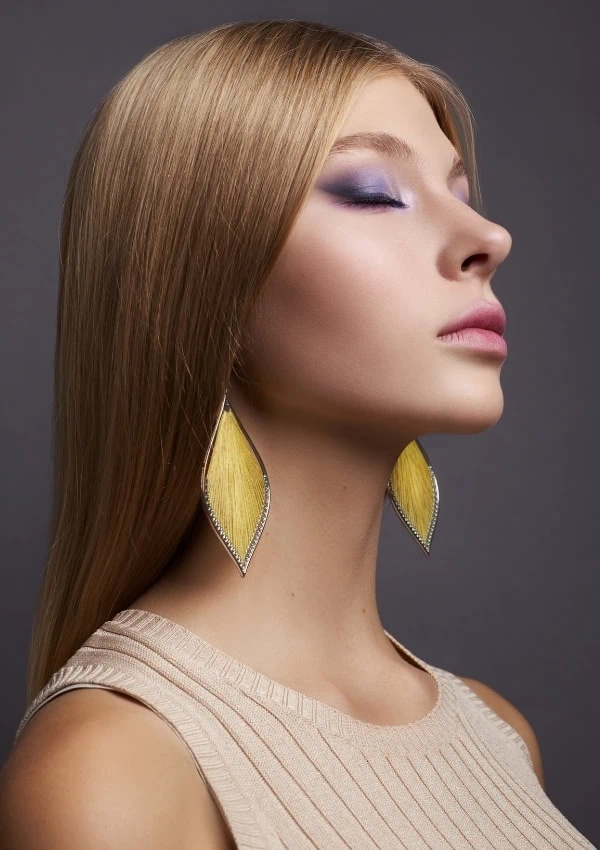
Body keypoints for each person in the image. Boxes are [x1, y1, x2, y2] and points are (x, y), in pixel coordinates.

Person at [0, 19, 594, 850]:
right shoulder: (119, 768)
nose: (488, 240)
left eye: (460, 196)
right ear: (201, 285)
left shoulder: (500, 738)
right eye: (374, 193)